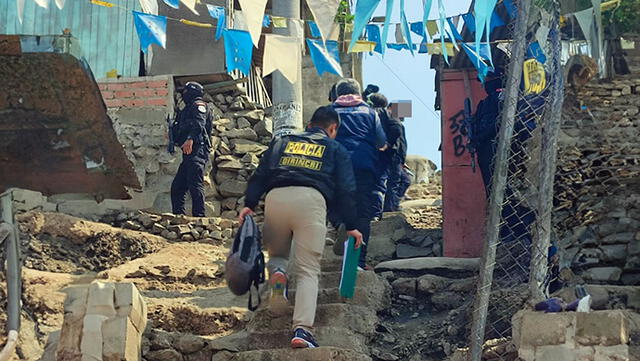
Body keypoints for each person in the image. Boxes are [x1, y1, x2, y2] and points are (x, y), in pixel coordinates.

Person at [238, 105, 363, 349]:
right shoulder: (335, 148)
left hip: (275, 198)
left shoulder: (281, 141)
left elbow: (261, 173)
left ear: (308, 125)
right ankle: (302, 330)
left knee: (279, 255)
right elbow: (347, 189)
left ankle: (279, 276)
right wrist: (351, 225)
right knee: (307, 270)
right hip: (311, 200)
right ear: (332, 128)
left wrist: (249, 204)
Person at [332, 78, 386, 270]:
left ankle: (339, 222)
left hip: (336, 166)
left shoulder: (329, 113)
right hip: (364, 167)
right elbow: (381, 142)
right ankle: (358, 262)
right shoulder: (370, 113)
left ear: (337, 94)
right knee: (363, 214)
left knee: (335, 201)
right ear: (359, 94)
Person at [170, 81, 212, 217]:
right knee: (177, 188)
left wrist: (190, 139)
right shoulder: (186, 109)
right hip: (188, 153)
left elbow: (200, 123)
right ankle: (178, 216)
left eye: (186, 91)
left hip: (197, 149)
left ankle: (199, 218)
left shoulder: (199, 105)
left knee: (195, 184)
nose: (184, 94)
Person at [367, 93, 403, 217]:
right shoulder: (387, 114)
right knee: (388, 181)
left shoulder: (368, 113)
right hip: (387, 154)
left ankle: (377, 211)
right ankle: (385, 211)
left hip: (370, 153)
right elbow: (397, 129)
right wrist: (388, 144)